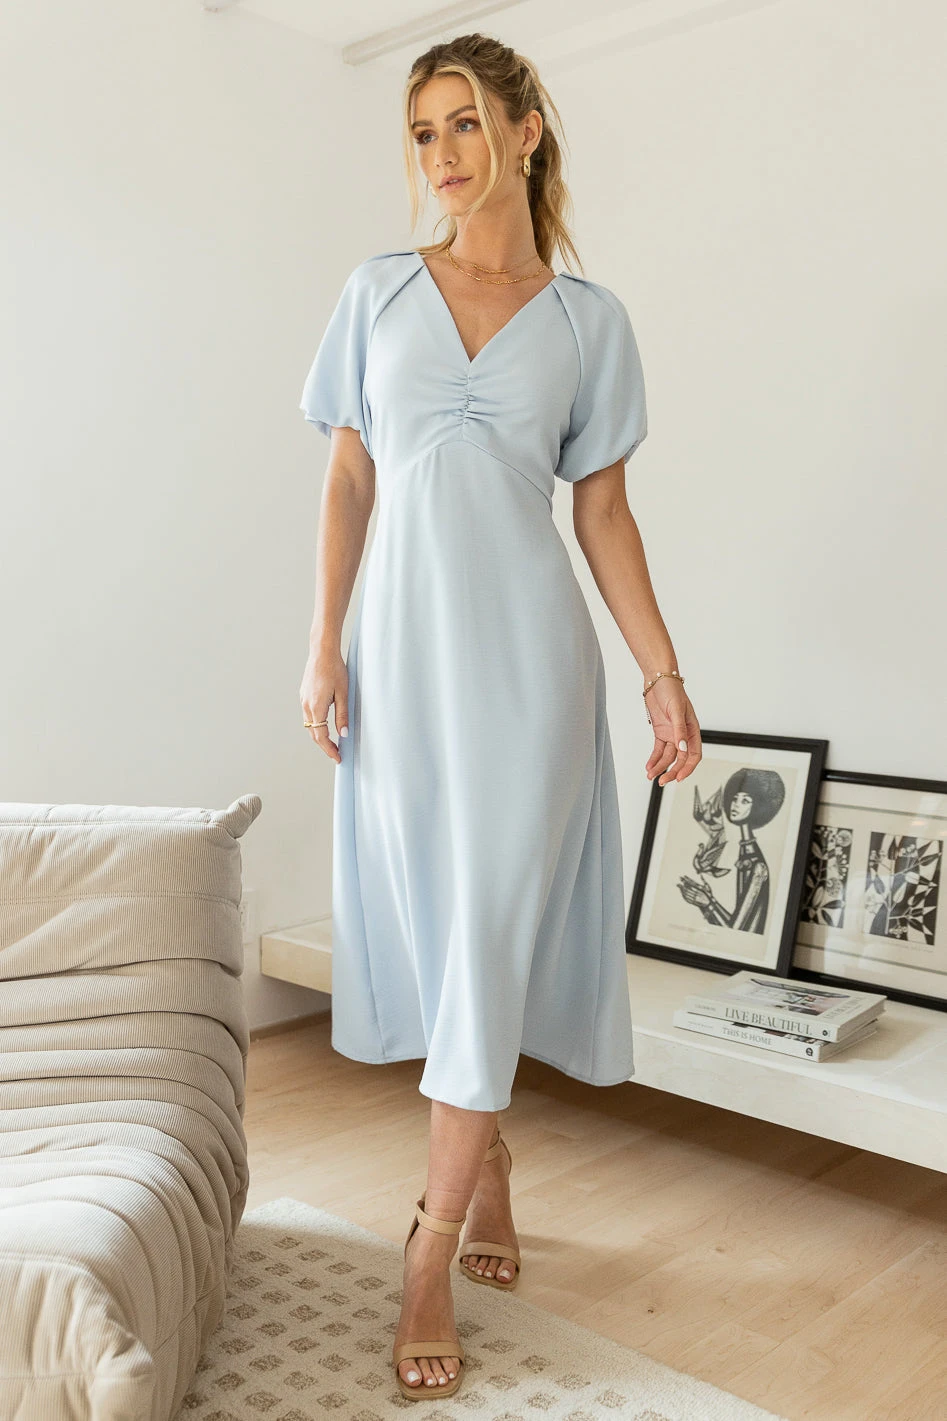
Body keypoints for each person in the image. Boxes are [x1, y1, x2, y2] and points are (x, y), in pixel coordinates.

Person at [297, 32, 702, 1402]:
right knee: (442, 930)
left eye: (464, 123)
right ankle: (491, 1160)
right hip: (402, 664)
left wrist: (660, 674)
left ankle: (425, 1245)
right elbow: (349, 480)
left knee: (486, 929)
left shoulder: (590, 323)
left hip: (532, 669)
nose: (442, 155)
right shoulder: (376, 292)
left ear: (525, 131)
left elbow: (604, 513)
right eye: (422, 132)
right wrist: (322, 645)